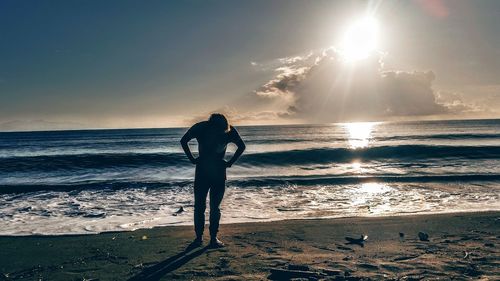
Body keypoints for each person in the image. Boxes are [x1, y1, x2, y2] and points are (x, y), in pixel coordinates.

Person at [180, 113, 245, 248]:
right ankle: (202, 239)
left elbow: (242, 146)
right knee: (203, 207)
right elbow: (183, 140)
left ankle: (210, 239)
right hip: (207, 172)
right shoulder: (202, 127)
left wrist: (230, 162)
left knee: (210, 207)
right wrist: (192, 159)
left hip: (212, 173)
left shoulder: (226, 129)